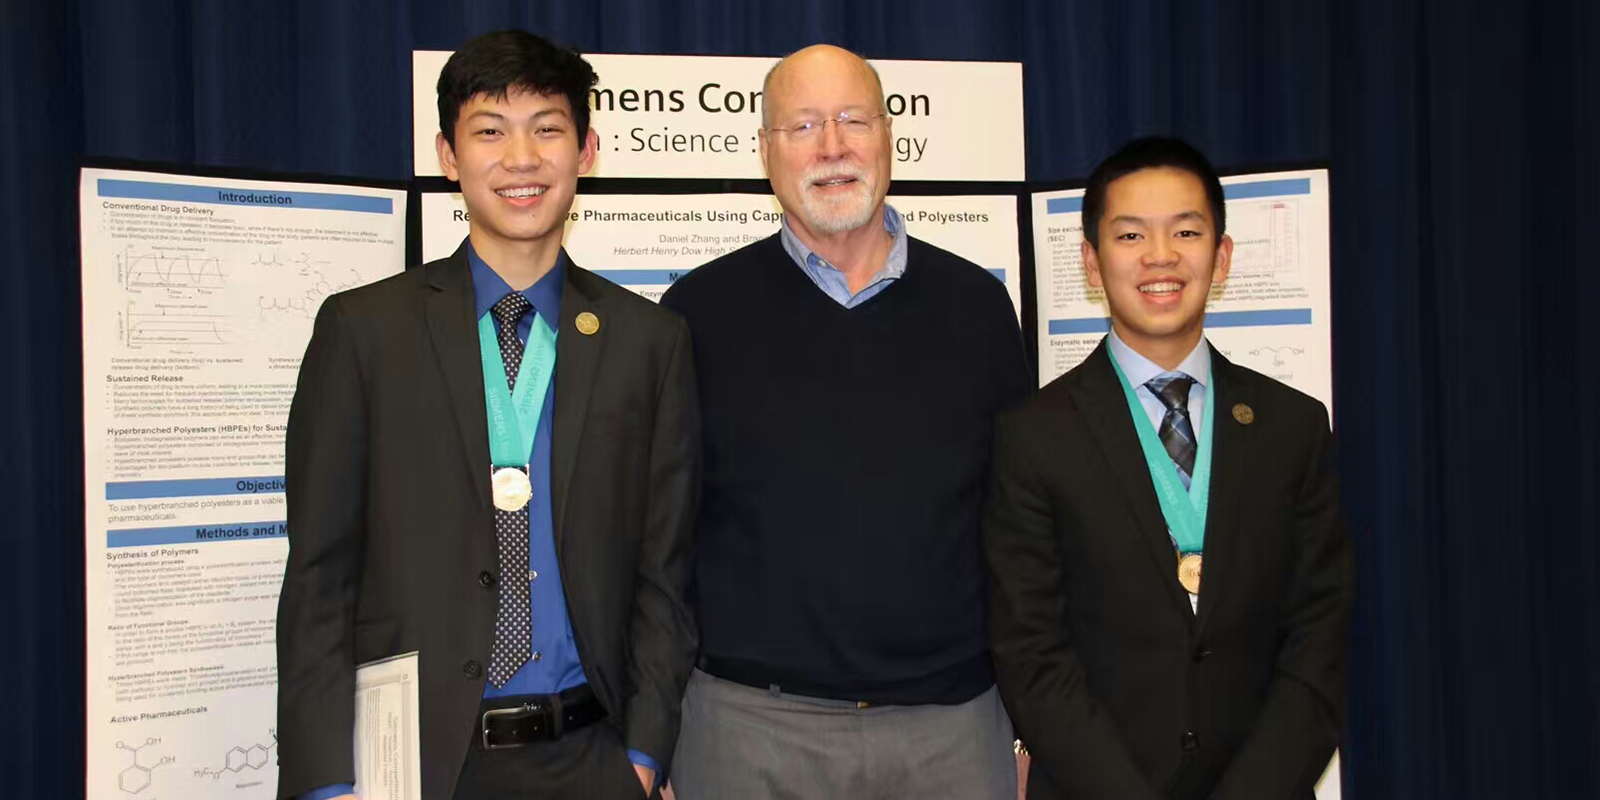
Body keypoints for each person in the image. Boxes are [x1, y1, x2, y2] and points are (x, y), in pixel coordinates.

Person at [275, 30, 699, 800]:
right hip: (418, 767)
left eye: (547, 129)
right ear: (447, 155)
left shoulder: (649, 342)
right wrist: (325, 782)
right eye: (489, 132)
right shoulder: (364, 332)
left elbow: (663, 576)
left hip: (593, 759)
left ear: (587, 150)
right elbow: (318, 579)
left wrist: (645, 755)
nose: (521, 159)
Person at [659, 44, 1031, 800]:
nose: (832, 147)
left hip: (951, 732)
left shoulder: (979, 310)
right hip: (746, 732)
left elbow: (1020, 532)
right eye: (802, 126)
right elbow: (660, 539)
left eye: (853, 120)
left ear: (889, 139)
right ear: (766, 153)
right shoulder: (697, 314)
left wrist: (1028, 722)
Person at [984, 136, 1352, 800]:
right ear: (1092, 265)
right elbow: (1034, 658)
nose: (1161, 256)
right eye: (1131, 235)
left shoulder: (1292, 428)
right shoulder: (1035, 437)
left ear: (1223, 256)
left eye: (1186, 231)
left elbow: (1319, 644)